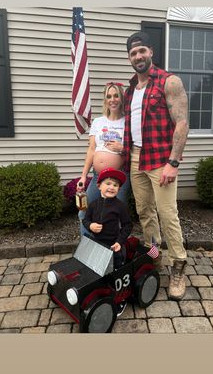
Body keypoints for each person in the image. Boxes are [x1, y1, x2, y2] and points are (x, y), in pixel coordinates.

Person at [123, 31, 189, 300]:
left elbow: (182, 123)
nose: (138, 56)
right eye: (133, 53)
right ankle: (154, 257)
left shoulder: (168, 82)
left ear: (151, 52)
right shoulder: (130, 88)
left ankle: (179, 265)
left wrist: (173, 162)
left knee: (166, 213)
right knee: (145, 213)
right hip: (137, 159)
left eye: (141, 51)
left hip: (162, 160)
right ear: (129, 58)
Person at [77, 82, 130, 235]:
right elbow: (92, 150)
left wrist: (122, 148)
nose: (112, 99)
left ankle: (114, 250)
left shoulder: (127, 122)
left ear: (121, 98)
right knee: (83, 211)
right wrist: (83, 176)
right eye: (109, 96)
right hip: (97, 178)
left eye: (116, 96)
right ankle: (87, 249)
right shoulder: (98, 122)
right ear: (105, 100)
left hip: (118, 178)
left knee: (116, 215)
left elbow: (135, 149)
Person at [82, 167, 133, 316]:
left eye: (115, 185)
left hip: (113, 246)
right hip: (97, 244)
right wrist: (90, 226)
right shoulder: (93, 205)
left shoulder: (120, 206)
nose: (111, 187)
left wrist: (120, 241)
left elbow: (127, 225)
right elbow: (86, 220)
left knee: (115, 273)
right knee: (98, 270)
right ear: (99, 186)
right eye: (108, 183)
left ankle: (120, 298)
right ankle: (100, 291)